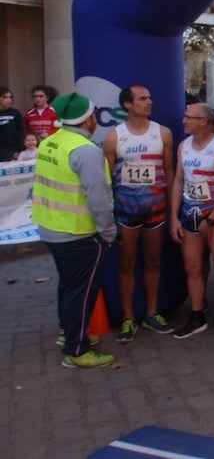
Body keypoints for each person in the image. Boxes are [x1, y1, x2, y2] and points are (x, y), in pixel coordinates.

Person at [34, 92, 117, 368]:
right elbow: (99, 199)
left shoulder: (49, 143)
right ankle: (77, 350)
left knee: (68, 287)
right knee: (81, 292)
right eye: (93, 115)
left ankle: (68, 334)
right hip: (79, 234)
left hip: (51, 229)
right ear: (88, 119)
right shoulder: (86, 152)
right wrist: (108, 233)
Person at [104, 84, 175, 342]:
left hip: (156, 210)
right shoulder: (114, 137)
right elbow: (108, 179)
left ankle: (152, 313)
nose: (149, 102)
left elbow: (169, 173)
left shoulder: (163, 133)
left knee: (155, 261)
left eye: (150, 97)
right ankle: (127, 317)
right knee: (127, 263)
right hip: (126, 211)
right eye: (142, 98)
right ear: (128, 105)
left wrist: (172, 209)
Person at [169, 103, 214, 341]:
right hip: (190, 214)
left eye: (189, 117)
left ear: (204, 122)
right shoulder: (183, 146)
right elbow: (179, 180)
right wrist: (174, 217)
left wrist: (213, 218)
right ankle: (197, 314)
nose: (184, 121)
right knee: (192, 267)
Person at [0, 87, 24, 161]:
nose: (8, 100)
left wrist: (18, 150)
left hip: (10, 149)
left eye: (10, 97)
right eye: (5, 97)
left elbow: (21, 132)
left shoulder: (15, 113)